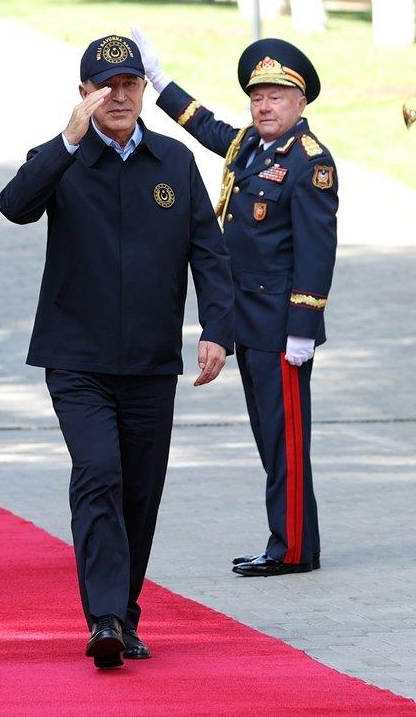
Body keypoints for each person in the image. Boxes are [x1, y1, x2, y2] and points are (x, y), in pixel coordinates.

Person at [0, 34, 233, 669]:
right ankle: (103, 617)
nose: (122, 95)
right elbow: (15, 205)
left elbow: (207, 252)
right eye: (107, 86)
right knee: (99, 472)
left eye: (131, 83)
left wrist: (217, 328)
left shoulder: (176, 163)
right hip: (78, 359)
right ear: (85, 95)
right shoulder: (62, 159)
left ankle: (124, 616)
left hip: (153, 360)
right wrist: (68, 140)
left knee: (140, 491)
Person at [136, 29, 338, 577]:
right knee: (269, 437)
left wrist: (303, 325)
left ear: (300, 103)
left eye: (276, 96)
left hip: (281, 328)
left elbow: (317, 254)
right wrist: (159, 82)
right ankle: (290, 539)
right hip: (251, 322)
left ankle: (293, 547)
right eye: (257, 96)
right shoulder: (251, 144)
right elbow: (205, 125)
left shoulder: (309, 163)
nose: (264, 105)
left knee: (286, 441)